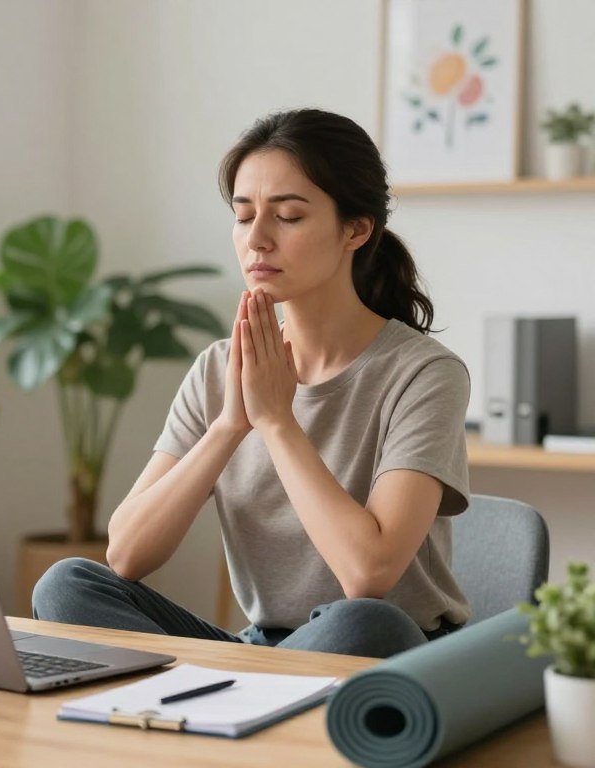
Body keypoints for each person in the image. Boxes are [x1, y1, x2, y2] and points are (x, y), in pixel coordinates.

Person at [31, 108, 472, 659]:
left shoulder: (424, 374)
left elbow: (369, 574)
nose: (257, 239)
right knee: (67, 584)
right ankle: (238, 702)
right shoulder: (220, 369)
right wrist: (230, 424)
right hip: (260, 649)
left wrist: (277, 421)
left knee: (361, 622)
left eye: (287, 216)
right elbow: (126, 555)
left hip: (388, 646)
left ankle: (216, 707)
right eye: (243, 216)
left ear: (356, 229)